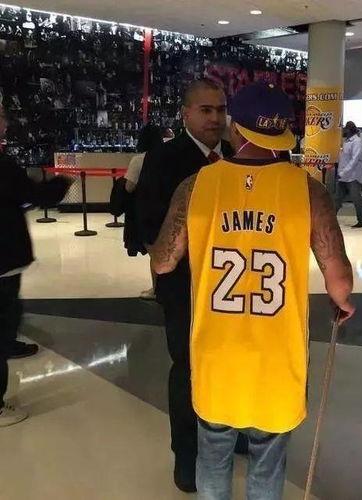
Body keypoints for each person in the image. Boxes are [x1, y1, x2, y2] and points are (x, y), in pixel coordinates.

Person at [150, 82, 355, 500]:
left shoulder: (196, 186)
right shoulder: (308, 191)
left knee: (213, 450)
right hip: (277, 355)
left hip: (215, 351)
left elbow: (163, 261)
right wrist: (343, 302)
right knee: (267, 455)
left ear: (236, 128)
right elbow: (339, 281)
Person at [134, 78, 236, 493]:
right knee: (188, 369)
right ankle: (187, 455)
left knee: (229, 362)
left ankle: (232, 432)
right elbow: (148, 225)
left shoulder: (235, 156)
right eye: (206, 110)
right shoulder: (163, 159)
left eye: (221, 109)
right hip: (184, 287)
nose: (215, 118)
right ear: (186, 114)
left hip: (231, 287)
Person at [0, 104, 72, 426]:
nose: (5, 124)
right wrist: (60, 184)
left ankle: (9, 343)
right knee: (4, 318)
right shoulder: (3, 165)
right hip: (4, 258)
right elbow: (34, 195)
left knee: (7, 316)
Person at [120, 124, 164, 301]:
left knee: (154, 252)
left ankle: (157, 290)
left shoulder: (138, 160)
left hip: (147, 211)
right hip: (166, 208)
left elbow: (129, 187)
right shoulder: (167, 157)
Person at [334, 121, 362, 228]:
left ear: (349, 130)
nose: (343, 130)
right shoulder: (347, 141)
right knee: (337, 198)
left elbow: (354, 160)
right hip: (344, 176)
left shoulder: (357, 142)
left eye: (345, 128)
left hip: (353, 176)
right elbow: (344, 159)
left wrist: (343, 172)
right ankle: (331, 219)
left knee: (356, 199)